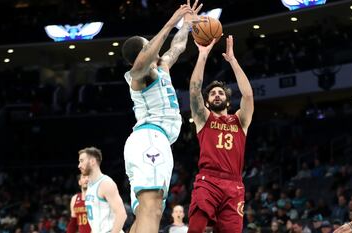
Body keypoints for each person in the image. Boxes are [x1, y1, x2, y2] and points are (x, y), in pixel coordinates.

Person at [121, 1, 203, 233]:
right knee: (153, 208)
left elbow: (176, 48)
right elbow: (139, 66)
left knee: (146, 212)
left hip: (155, 141)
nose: (155, 48)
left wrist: (185, 25)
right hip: (150, 137)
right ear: (141, 53)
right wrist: (170, 22)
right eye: (149, 46)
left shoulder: (162, 66)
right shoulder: (139, 76)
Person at [187, 35, 254, 233]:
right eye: (213, 93)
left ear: (227, 101)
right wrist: (202, 54)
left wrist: (233, 60)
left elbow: (248, 95)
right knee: (196, 229)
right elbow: (193, 90)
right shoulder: (204, 119)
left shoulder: (240, 121)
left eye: (221, 93)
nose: (217, 95)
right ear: (207, 102)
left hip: (234, 185)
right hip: (208, 181)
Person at [78, 147, 127, 233]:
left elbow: (122, 214)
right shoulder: (90, 185)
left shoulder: (106, 183)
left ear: (92, 161)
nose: (79, 165)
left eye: (82, 161)